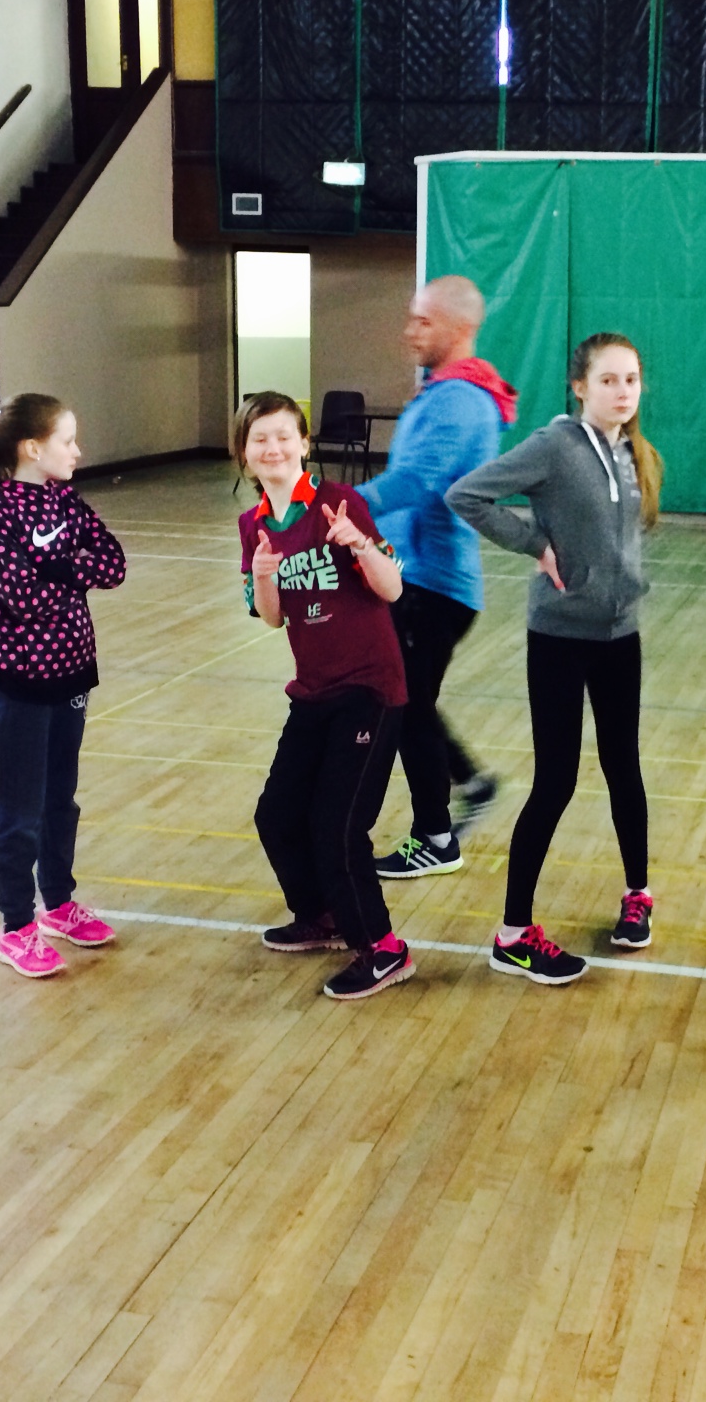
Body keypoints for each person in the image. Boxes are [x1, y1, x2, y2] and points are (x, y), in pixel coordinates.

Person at [446, 333, 666, 981]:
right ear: (580, 386)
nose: (622, 392)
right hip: (560, 639)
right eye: (608, 380)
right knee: (556, 782)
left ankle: (638, 895)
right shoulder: (554, 446)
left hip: (620, 636)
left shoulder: (631, 451)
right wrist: (535, 545)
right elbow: (467, 495)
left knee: (624, 767)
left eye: (631, 380)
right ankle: (513, 933)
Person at [0, 394, 127, 980]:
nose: (78, 451)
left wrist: (58, 568)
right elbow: (22, 599)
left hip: (73, 674)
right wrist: (70, 573)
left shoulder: (66, 501)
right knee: (19, 811)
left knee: (59, 801)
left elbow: (113, 563)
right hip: (21, 685)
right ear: (32, 448)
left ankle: (59, 904)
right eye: (68, 441)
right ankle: (17, 926)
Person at [237, 392, 420, 1000]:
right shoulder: (253, 525)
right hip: (313, 691)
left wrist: (359, 545)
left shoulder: (341, 502)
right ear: (244, 452)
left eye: (284, 435)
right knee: (276, 815)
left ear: (304, 443)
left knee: (338, 826)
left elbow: (392, 590)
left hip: (369, 687)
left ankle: (384, 948)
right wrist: (263, 577)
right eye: (260, 438)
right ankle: (324, 917)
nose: (273, 448)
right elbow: (271, 618)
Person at [359, 275, 518, 876]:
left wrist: (332, 506)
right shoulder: (448, 393)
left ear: (460, 327)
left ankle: (435, 838)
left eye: (423, 321)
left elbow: (415, 483)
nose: (410, 331)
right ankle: (472, 785)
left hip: (433, 586)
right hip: (419, 579)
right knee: (407, 702)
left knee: (405, 707)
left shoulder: (459, 401)